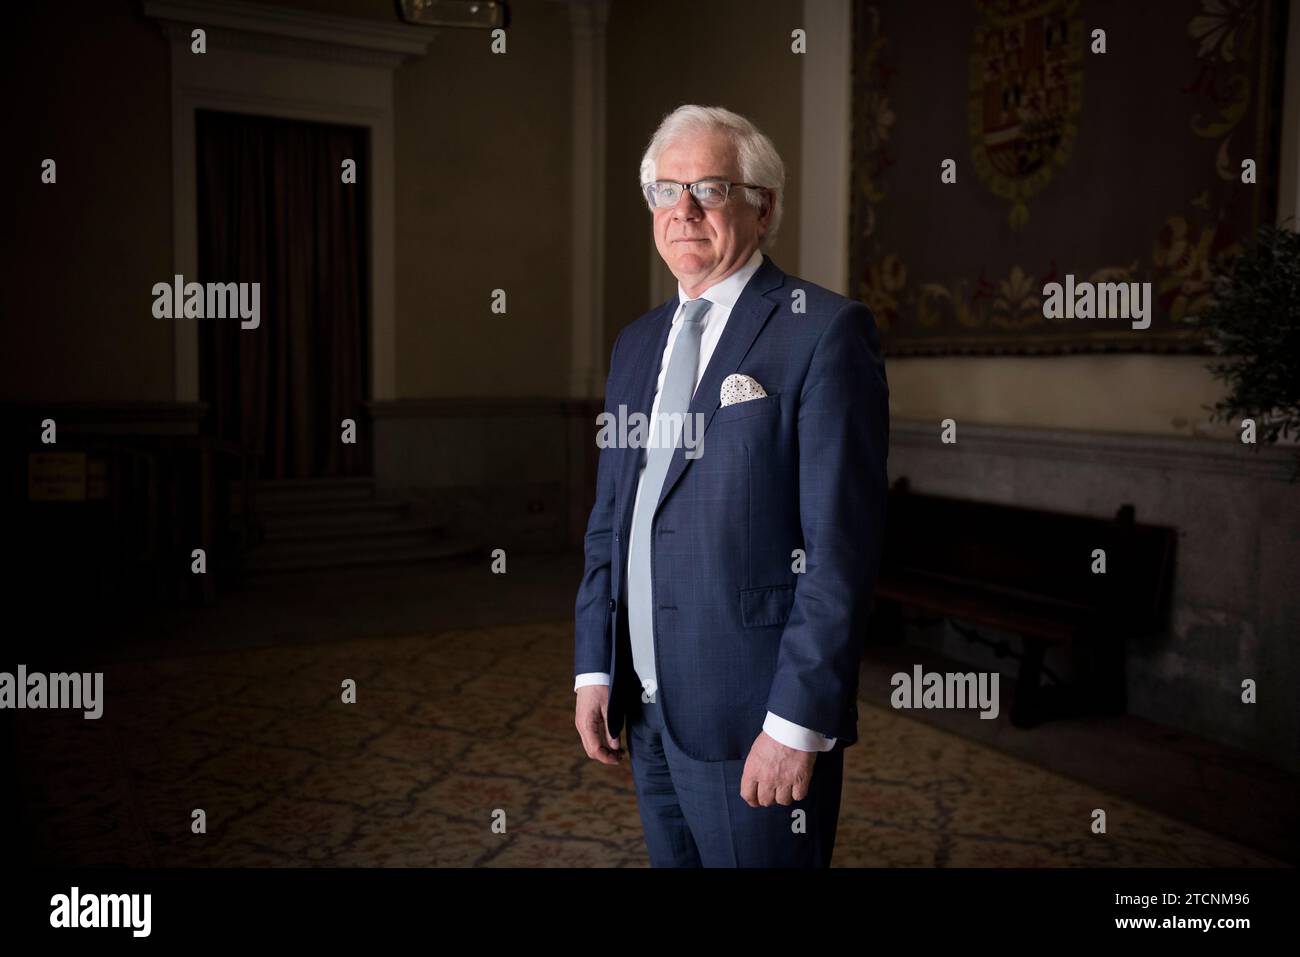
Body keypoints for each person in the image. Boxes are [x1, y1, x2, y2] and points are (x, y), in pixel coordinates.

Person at [573, 104, 889, 867]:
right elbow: (612, 515)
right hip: (646, 709)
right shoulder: (637, 341)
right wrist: (594, 664)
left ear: (762, 205)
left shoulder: (822, 332)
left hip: (755, 719)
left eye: (710, 188)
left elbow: (840, 552)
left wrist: (794, 725)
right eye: (665, 189)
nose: (683, 209)